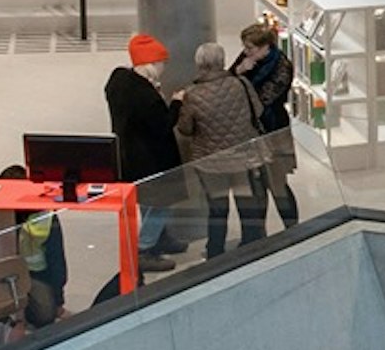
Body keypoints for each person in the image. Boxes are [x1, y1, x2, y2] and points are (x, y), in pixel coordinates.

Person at [172, 40, 269, 258]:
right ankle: (253, 246)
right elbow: (259, 110)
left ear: (199, 64)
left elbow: (185, 129)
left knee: (218, 208)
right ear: (222, 61)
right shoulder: (241, 84)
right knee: (247, 203)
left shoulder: (193, 94)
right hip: (242, 158)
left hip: (211, 162)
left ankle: (215, 251)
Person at [106, 33, 186, 260]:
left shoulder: (119, 82)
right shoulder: (145, 96)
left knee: (147, 201)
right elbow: (163, 125)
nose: (164, 68)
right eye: (161, 63)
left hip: (129, 156)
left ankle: (160, 237)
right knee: (161, 203)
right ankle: (146, 247)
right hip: (152, 158)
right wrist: (176, 103)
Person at [234, 16, 302, 228]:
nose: (246, 52)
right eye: (245, 47)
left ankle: (292, 228)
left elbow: (262, 100)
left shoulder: (282, 67)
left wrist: (242, 79)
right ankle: (257, 234)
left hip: (273, 130)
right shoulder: (247, 60)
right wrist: (239, 72)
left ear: (265, 47)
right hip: (250, 130)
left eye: (250, 48)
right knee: (256, 185)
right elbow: (229, 82)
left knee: (277, 183)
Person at [0, 160, 67, 329]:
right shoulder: (0, 215)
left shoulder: (46, 220)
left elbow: (57, 264)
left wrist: (58, 301)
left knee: (44, 314)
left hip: (35, 276)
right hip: (4, 275)